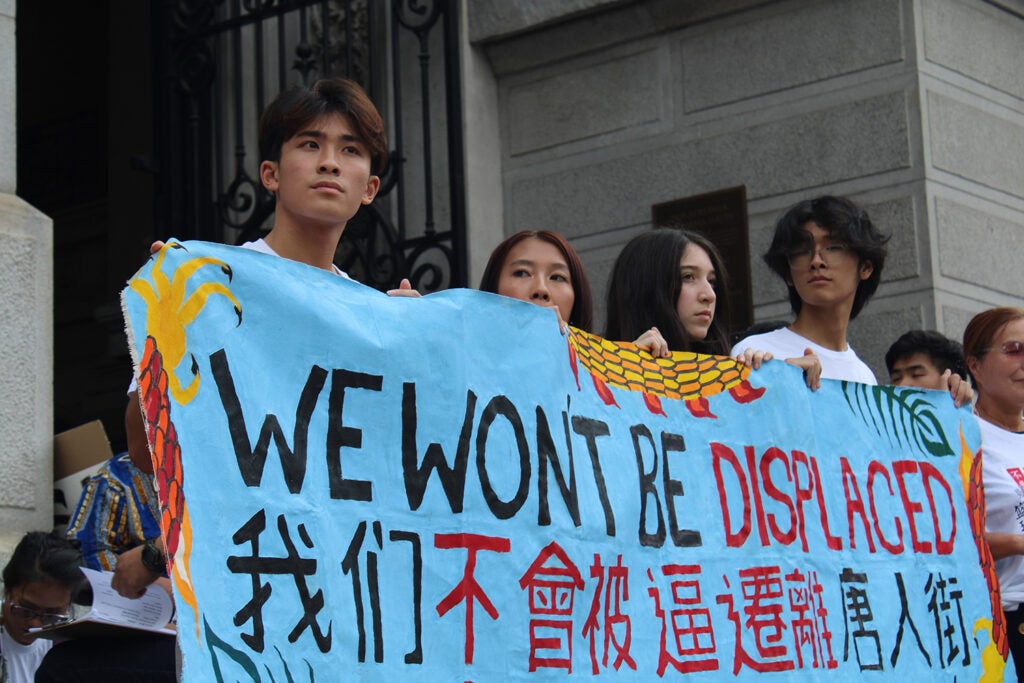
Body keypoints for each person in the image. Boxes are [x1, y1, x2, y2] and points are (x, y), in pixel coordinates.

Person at [604, 229, 821, 386]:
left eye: (712, 281)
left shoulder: (730, 371)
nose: (709, 295)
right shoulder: (595, 376)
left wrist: (782, 381)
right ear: (646, 286)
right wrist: (625, 370)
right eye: (688, 277)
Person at [731, 195, 887, 384]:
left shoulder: (864, 377)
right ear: (789, 274)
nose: (816, 261)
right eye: (802, 251)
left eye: (833, 247)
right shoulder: (757, 352)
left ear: (865, 267)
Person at [964, 307, 1024, 680]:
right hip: (1004, 621)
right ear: (975, 365)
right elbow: (949, 540)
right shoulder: (962, 438)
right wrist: (1019, 543)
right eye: (1013, 349)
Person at [0, 531, 83, 683]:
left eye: (51, 615)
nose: (35, 624)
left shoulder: (68, 649)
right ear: (7, 591)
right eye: (25, 609)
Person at [885, 329, 968, 391]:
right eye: (896, 378)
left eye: (916, 375)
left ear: (950, 381)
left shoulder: (969, 413)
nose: (902, 385)